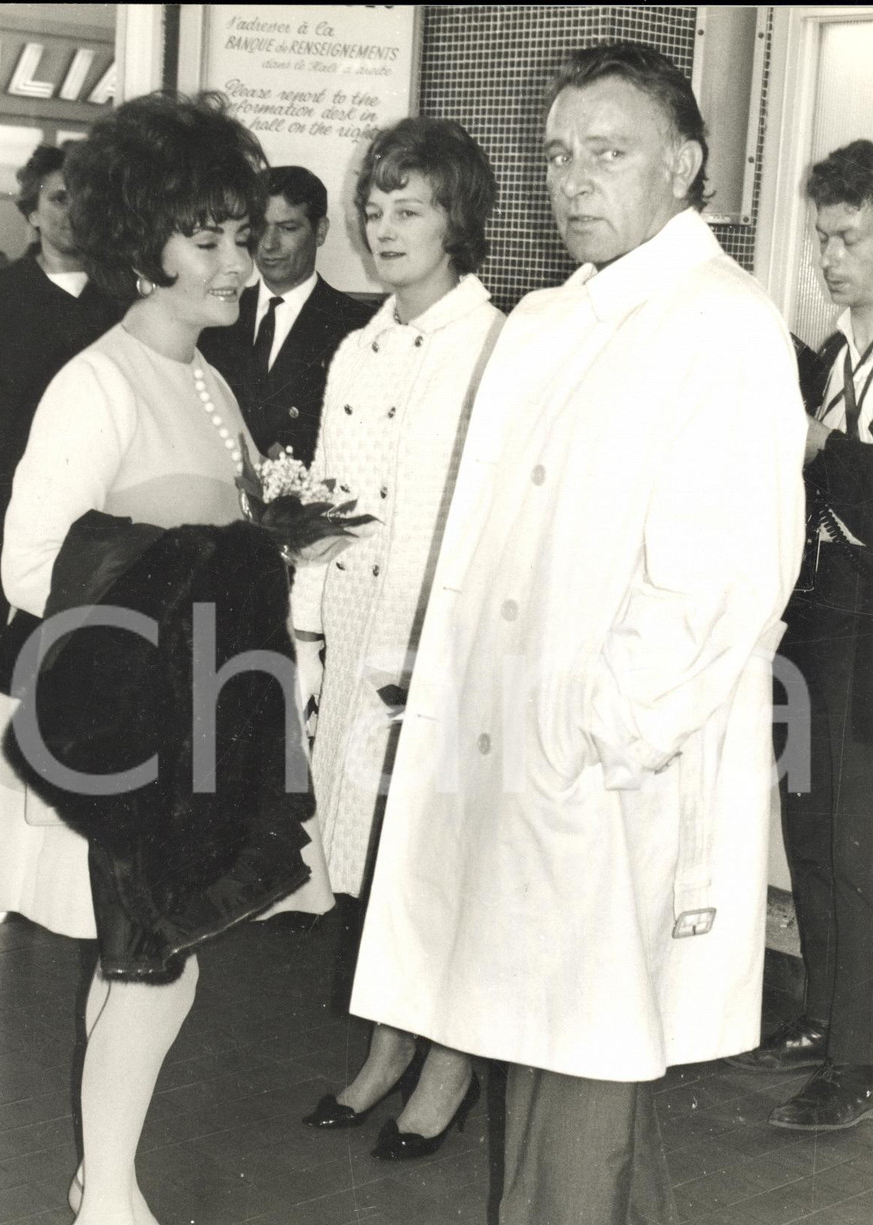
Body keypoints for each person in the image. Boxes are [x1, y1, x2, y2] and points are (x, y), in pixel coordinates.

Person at [348, 43, 806, 1225]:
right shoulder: (549, 321)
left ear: (687, 166)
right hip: (513, 735)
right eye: (555, 153)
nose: (572, 178)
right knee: (579, 1025)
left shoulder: (723, 324)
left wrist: (615, 728)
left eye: (607, 150)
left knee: (566, 1052)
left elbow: (727, 566)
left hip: (610, 757)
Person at [0, 91, 332, 1225]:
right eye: (207, 237)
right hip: (126, 729)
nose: (237, 259)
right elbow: (30, 569)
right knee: (150, 968)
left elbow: (213, 533)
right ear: (145, 244)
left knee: (162, 967)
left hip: (206, 714)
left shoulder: (209, 381)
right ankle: (100, 1218)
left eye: (243, 234)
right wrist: (201, 570)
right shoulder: (94, 382)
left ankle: (107, 1192)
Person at [295, 118, 504, 1159]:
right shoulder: (354, 345)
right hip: (357, 636)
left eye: (407, 207)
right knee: (374, 862)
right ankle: (387, 1047)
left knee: (437, 865)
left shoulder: (496, 347)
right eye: (372, 209)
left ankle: (449, 1063)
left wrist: (443, 655)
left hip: (444, 651)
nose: (382, 227)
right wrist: (309, 637)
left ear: (455, 217)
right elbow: (331, 502)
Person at [730, 140, 873, 1130]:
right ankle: (825, 1015)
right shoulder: (835, 353)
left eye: (849, 238)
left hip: (864, 631)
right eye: (821, 237)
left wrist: (820, 451)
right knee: (810, 834)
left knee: (854, 851)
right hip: (817, 621)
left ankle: (859, 1067)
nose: (828, 257)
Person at [0, 144, 119, 667]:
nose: (72, 213)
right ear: (32, 211)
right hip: (12, 497)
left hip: (105, 496)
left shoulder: (125, 300)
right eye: (59, 199)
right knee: (8, 657)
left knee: (93, 652)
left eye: (86, 200)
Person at [198, 165, 368, 467]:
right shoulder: (215, 317)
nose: (268, 244)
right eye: (260, 228)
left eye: (288, 228)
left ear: (321, 231)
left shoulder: (358, 327)